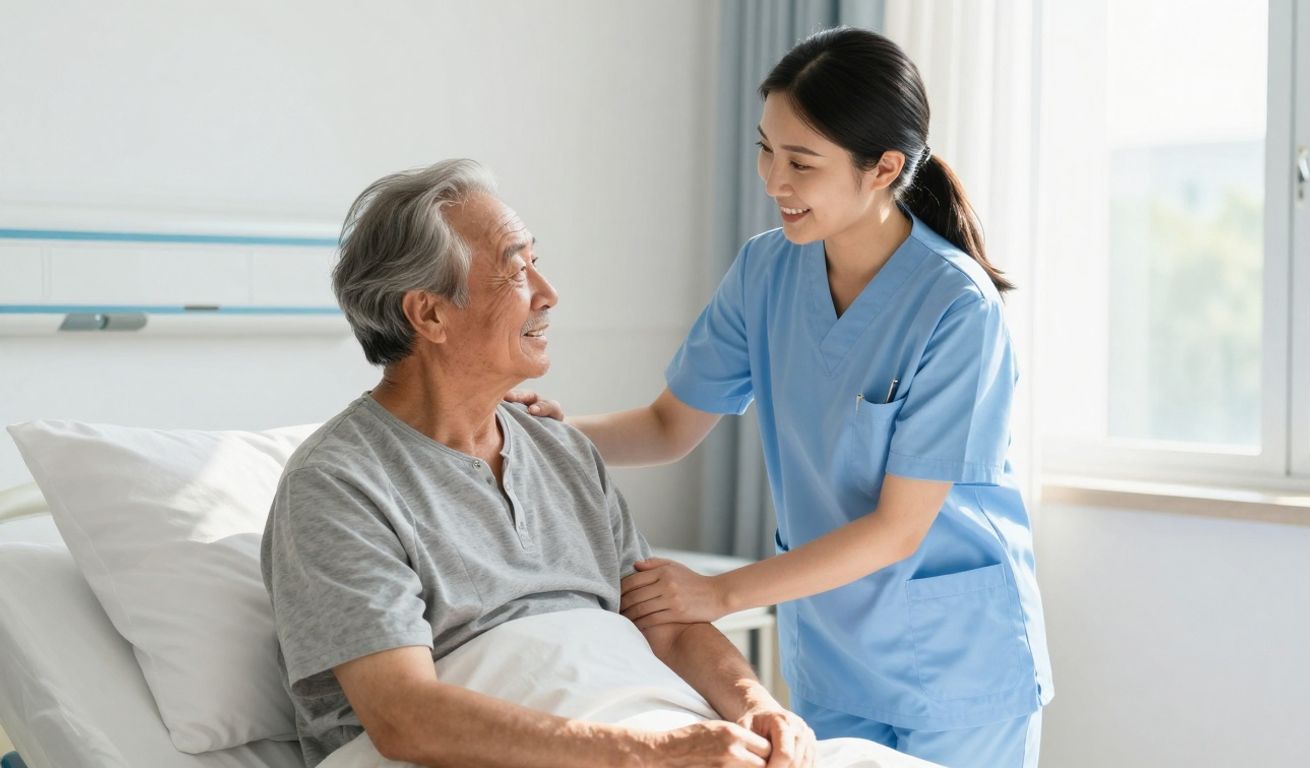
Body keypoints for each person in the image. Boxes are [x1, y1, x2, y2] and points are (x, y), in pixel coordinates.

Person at [511, 27, 1053, 768]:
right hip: (832, 656)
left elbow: (898, 528)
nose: (773, 182)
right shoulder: (765, 272)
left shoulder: (956, 307)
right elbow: (670, 426)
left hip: (957, 666)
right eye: (766, 150)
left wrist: (720, 595)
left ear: (883, 168)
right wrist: (552, 434)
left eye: (802, 162)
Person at [260, 159, 817, 768]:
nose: (548, 294)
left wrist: (757, 706)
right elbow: (403, 717)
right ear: (429, 314)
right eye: (516, 270)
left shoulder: (561, 450)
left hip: (644, 726)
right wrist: (652, 753)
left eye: (537, 262)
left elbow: (668, 625)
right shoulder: (338, 484)